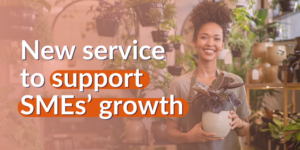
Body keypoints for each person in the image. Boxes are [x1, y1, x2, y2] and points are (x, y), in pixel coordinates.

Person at [166, 1, 251, 150]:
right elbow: (170, 132)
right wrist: (188, 137)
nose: (210, 43)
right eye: (204, 37)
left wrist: (240, 123)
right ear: (194, 41)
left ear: (222, 44)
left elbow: (245, 131)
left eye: (217, 38)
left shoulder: (235, 82)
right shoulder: (179, 85)